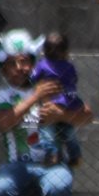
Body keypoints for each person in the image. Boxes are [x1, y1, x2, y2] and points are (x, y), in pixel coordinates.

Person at [0, 28, 94, 196]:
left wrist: (62, 114)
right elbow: (4, 123)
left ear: (35, 63)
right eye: (11, 64)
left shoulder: (53, 84)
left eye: (24, 62)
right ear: (3, 70)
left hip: (52, 164)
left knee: (60, 185)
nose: (19, 69)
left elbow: (87, 115)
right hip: (17, 164)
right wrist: (34, 97)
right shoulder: (2, 96)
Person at [31, 31, 84, 167]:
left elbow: (32, 78)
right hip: (68, 103)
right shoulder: (69, 66)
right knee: (69, 132)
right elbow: (74, 79)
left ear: (44, 51)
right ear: (66, 52)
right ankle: (75, 155)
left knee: (47, 131)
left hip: (50, 103)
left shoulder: (42, 64)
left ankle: (53, 153)